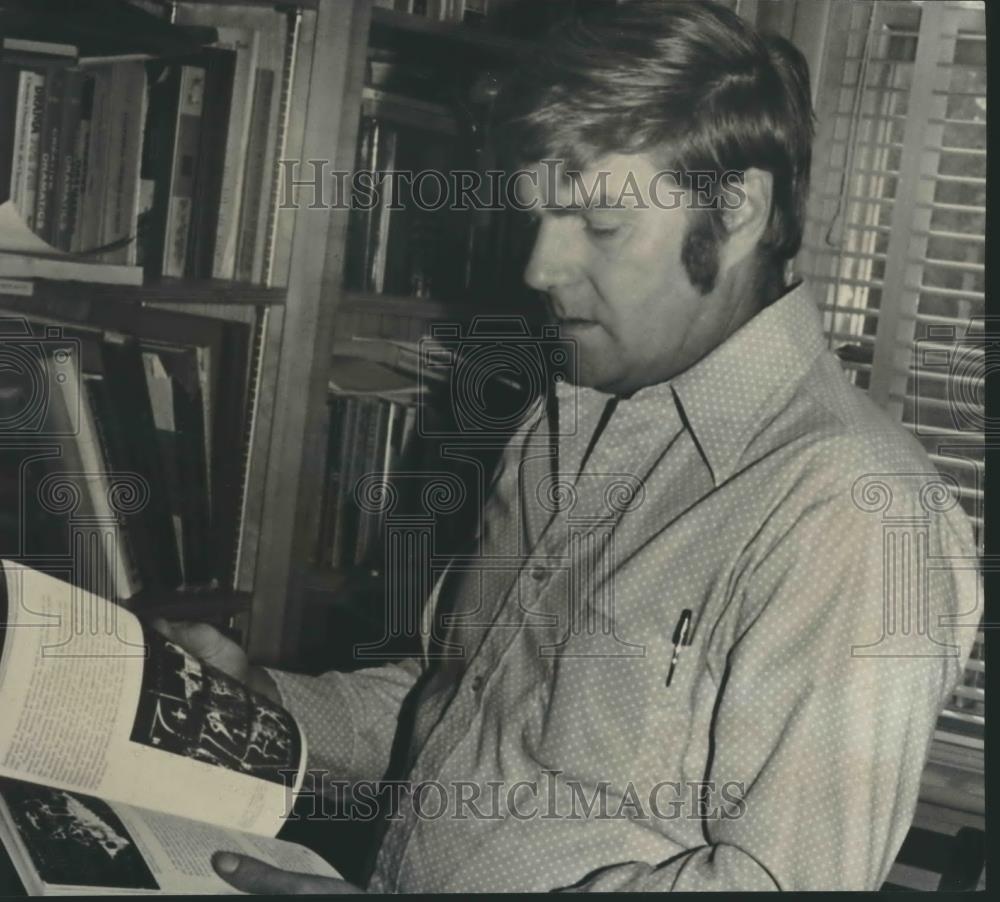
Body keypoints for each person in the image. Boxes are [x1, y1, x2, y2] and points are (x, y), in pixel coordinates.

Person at [158, 0, 979, 891]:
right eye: (538, 219)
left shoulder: (851, 510)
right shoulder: (568, 418)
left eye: (599, 224)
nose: (540, 269)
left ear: (736, 210)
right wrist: (269, 703)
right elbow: (466, 717)